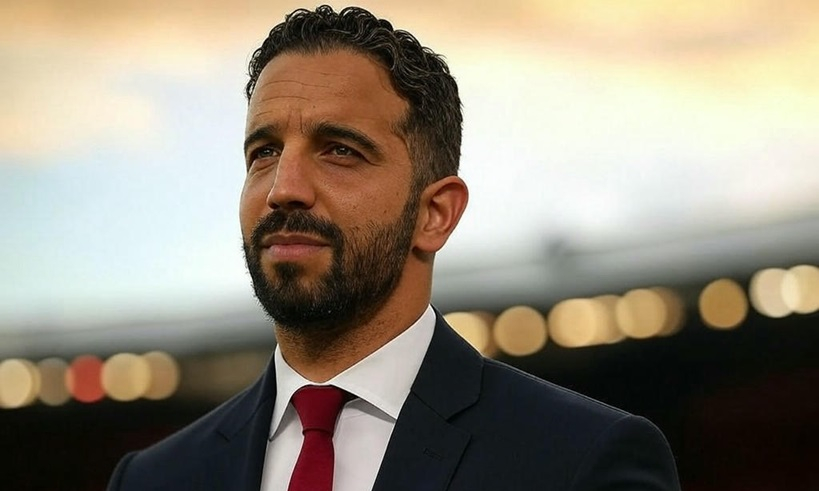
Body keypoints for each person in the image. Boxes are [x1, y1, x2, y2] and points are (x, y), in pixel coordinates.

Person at [107, 5, 680, 491]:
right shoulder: (154, 479)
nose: (283, 189)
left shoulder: (582, 459)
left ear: (435, 214)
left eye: (339, 150)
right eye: (264, 152)